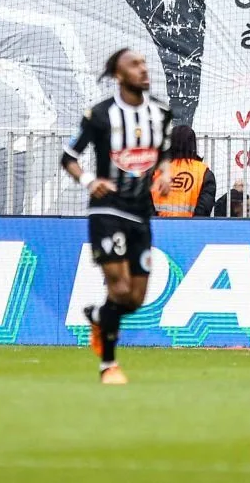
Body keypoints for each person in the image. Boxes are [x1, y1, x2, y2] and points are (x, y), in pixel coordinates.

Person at [61, 47, 170, 385]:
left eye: (144, 64)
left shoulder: (161, 114)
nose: (143, 69)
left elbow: (164, 154)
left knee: (135, 300)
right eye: (134, 65)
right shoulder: (99, 114)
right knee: (120, 288)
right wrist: (89, 180)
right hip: (107, 211)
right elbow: (68, 157)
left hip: (141, 214)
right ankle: (108, 365)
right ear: (119, 75)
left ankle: (98, 316)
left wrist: (164, 173)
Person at [150, 124, 218, 218]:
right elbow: (204, 209)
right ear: (193, 144)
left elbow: (147, 204)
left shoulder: (157, 171)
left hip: (159, 228)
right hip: (191, 229)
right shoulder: (204, 173)